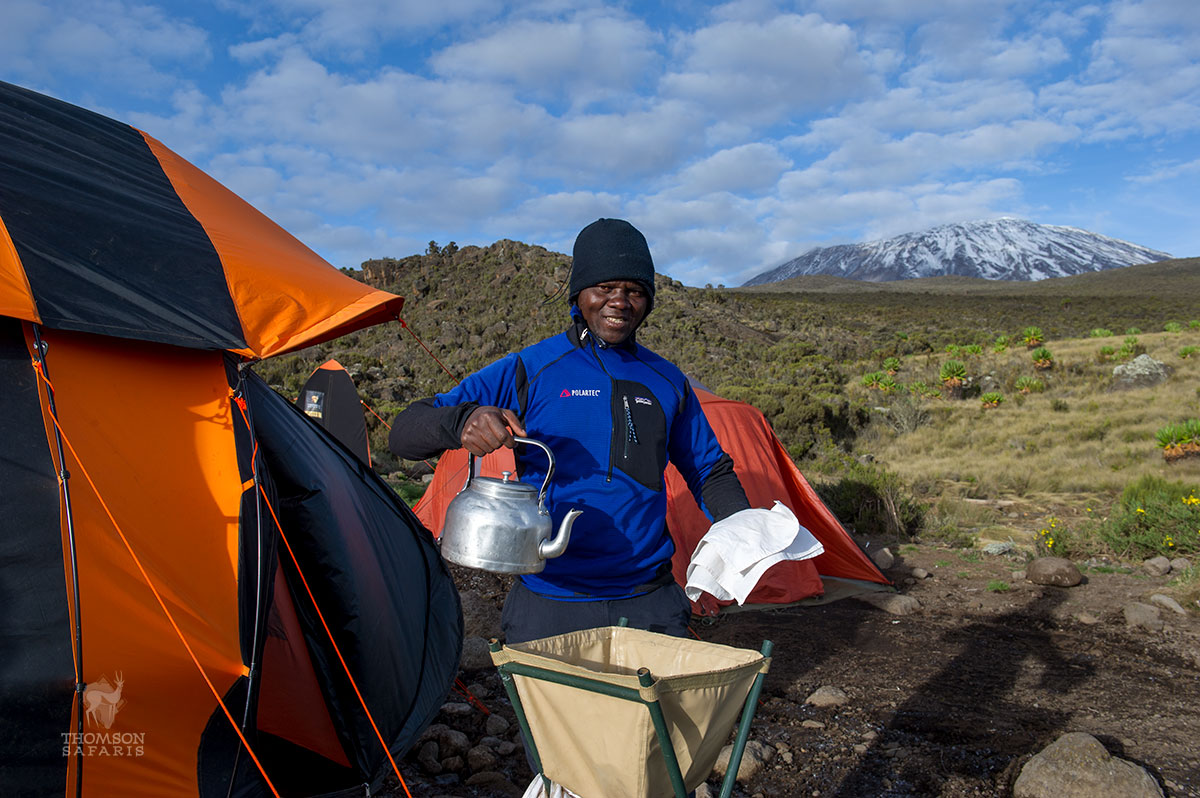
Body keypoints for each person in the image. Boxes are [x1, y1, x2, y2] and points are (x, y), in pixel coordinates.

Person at [390, 218, 749, 644]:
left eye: (634, 291)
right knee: (556, 714)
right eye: (605, 288)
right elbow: (404, 434)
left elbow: (710, 471)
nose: (620, 302)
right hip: (551, 601)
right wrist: (461, 420)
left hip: (649, 601)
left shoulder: (667, 380)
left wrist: (746, 526)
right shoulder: (531, 368)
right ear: (578, 294)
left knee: (653, 713)